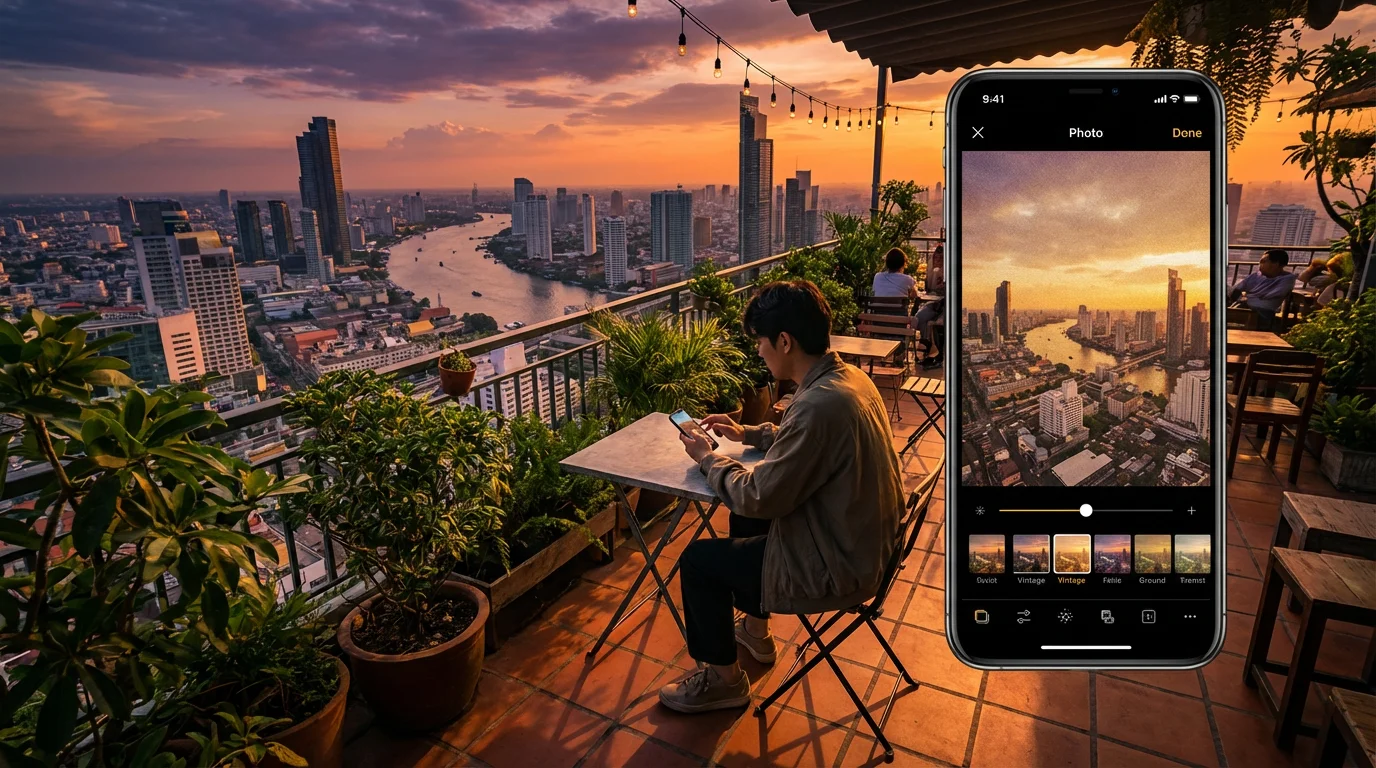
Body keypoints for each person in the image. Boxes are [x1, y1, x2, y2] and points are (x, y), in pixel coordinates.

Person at [657, 280, 904, 714]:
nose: (758, 352)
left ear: (784, 341)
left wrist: (707, 458)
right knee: (747, 524)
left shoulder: (817, 406)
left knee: (699, 562)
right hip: (865, 545)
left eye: (760, 342)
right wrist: (747, 432)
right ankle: (755, 631)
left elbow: (757, 496)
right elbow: (806, 442)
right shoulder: (848, 380)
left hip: (839, 565)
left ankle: (722, 681)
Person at [1228, 249, 1297, 329]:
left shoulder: (1287, 279)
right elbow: (1235, 290)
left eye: (1264, 262)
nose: (1260, 264)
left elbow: (1268, 295)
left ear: (1276, 264)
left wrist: (1248, 296)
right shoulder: (1255, 276)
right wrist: (1246, 297)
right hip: (1242, 308)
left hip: (1262, 314)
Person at [913, 244, 945, 368]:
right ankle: (926, 342)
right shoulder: (931, 271)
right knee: (919, 317)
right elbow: (929, 289)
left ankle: (936, 353)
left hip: (946, 305)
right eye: (936, 258)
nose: (938, 261)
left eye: (941, 259)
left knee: (939, 323)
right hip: (933, 302)